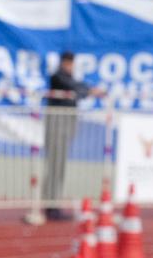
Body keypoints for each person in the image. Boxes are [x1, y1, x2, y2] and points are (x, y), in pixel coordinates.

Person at [42, 51, 105, 220]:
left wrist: (86, 91)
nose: (70, 66)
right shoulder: (57, 77)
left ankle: (53, 202)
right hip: (57, 126)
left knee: (60, 166)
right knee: (55, 166)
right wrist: (89, 91)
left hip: (66, 126)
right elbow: (74, 87)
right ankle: (50, 204)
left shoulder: (69, 79)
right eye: (69, 63)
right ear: (64, 62)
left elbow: (78, 88)